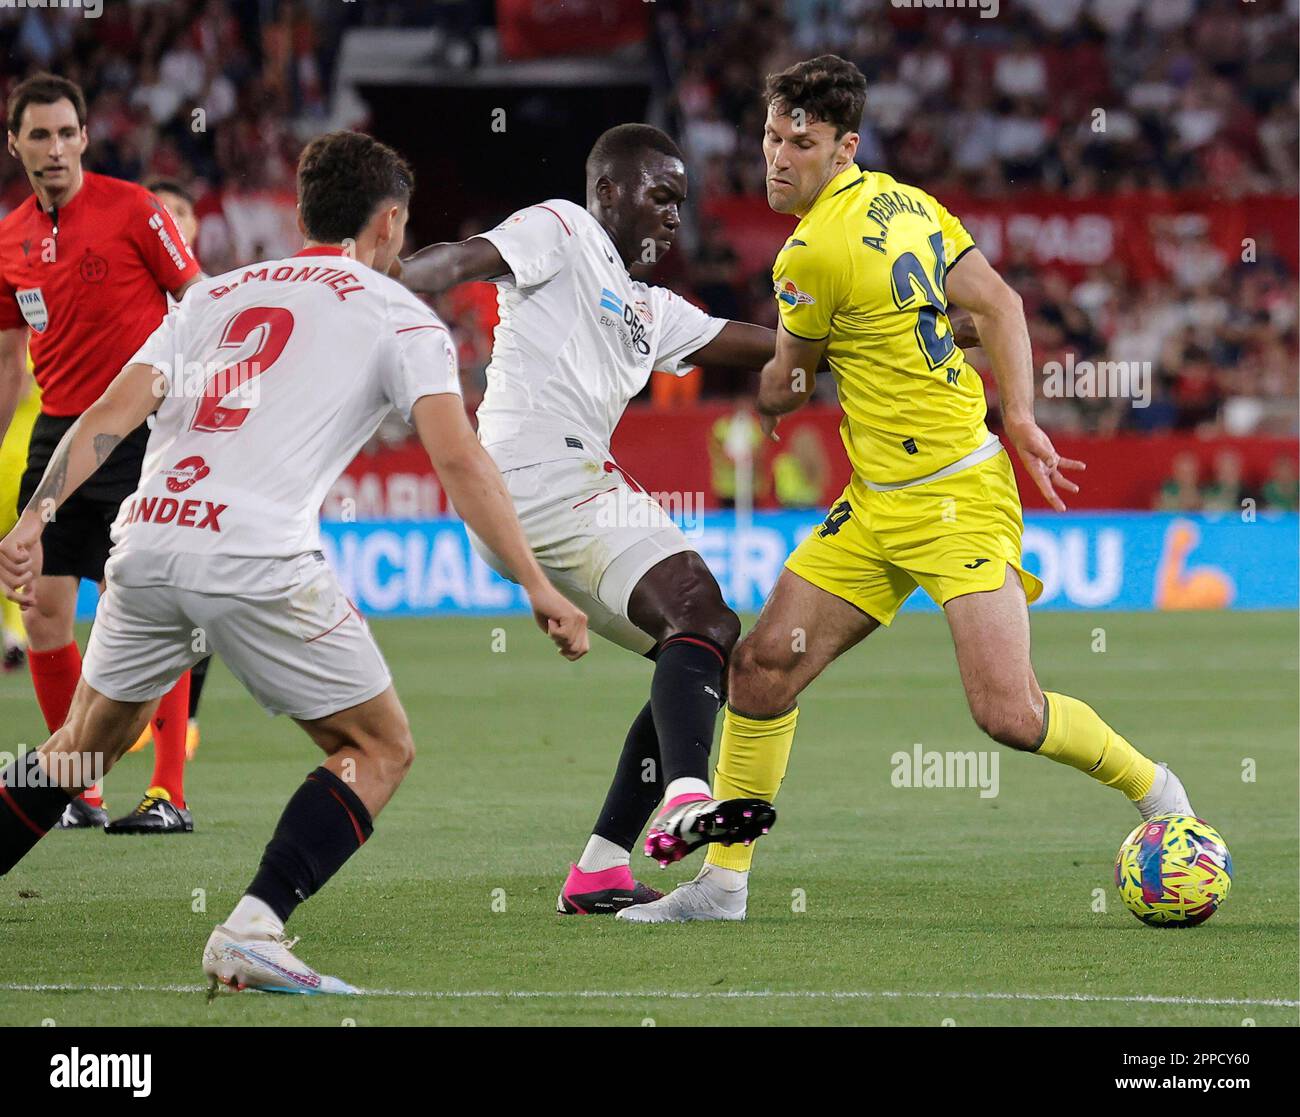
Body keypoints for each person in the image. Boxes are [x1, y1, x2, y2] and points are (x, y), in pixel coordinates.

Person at [0, 129, 588, 993]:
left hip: (151, 535)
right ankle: (254, 926)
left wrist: (37, 514)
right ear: (388, 223)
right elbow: (460, 461)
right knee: (378, 745)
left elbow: (105, 416)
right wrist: (537, 584)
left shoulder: (210, 296)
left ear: (308, 212)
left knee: (82, 747)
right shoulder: (397, 314)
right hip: (255, 552)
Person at [625, 55, 1194, 924]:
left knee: (1008, 711)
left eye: (800, 143)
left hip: (956, 494)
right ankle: (722, 886)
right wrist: (1024, 416)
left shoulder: (807, 253)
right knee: (763, 666)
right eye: (771, 136)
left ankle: (1157, 788)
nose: (776, 158)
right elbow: (998, 305)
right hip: (881, 499)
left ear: (844, 146)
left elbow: (788, 385)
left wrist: (755, 374)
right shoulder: (905, 201)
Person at [398, 125, 787, 915]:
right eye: (661, 196)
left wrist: (918, 335)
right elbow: (459, 259)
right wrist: (374, 278)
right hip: (527, 470)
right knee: (700, 615)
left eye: (682, 201)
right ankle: (684, 797)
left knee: (704, 641)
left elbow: (776, 348)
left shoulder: (650, 309)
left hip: (569, 479)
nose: (675, 216)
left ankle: (602, 866)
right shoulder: (563, 229)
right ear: (608, 191)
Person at [0, 74, 201, 832]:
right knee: (44, 609)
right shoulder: (10, 238)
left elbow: (200, 300)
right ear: (15, 143)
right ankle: (79, 787)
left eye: (65, 134)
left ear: (86, 137)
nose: (54, 149)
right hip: (57, 433)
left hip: (141, 432)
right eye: (38, 135)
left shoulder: (135, 209)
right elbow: (10, 358)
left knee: (147, 607)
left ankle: (167, 792)